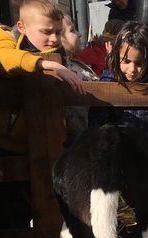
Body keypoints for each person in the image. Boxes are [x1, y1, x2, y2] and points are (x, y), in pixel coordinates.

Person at [0, 1, 84, 238]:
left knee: (32, 207)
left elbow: (63, 112)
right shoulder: (6, 41)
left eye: (58, 32)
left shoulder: (56, 58)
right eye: (46, 32)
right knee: (1, 215)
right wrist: (47, 64)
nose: (54, 39)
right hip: (4, 147)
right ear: (22, 27)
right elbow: (5, 58)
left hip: (41, 146)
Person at [61, 14, 98, 142]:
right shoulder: (70, 70)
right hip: (78, 140)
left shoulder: (75, 65)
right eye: (72, 30)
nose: (79, 34)